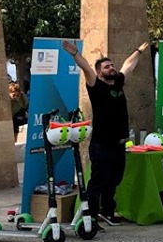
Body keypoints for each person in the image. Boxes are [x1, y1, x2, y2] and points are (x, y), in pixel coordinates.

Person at [62, 39, 150, 226]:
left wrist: (139, 51)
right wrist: (75, 54)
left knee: (114, 180)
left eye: (111, 65)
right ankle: (90, 217)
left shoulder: (118, 83)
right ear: (99, 73)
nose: (111, 68)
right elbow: (86, 67)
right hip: (102, 145)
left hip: (119, 144)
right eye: (107, 67)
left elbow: (128, 65)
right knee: (98, 182)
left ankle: (107, 212)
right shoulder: (96, 86)